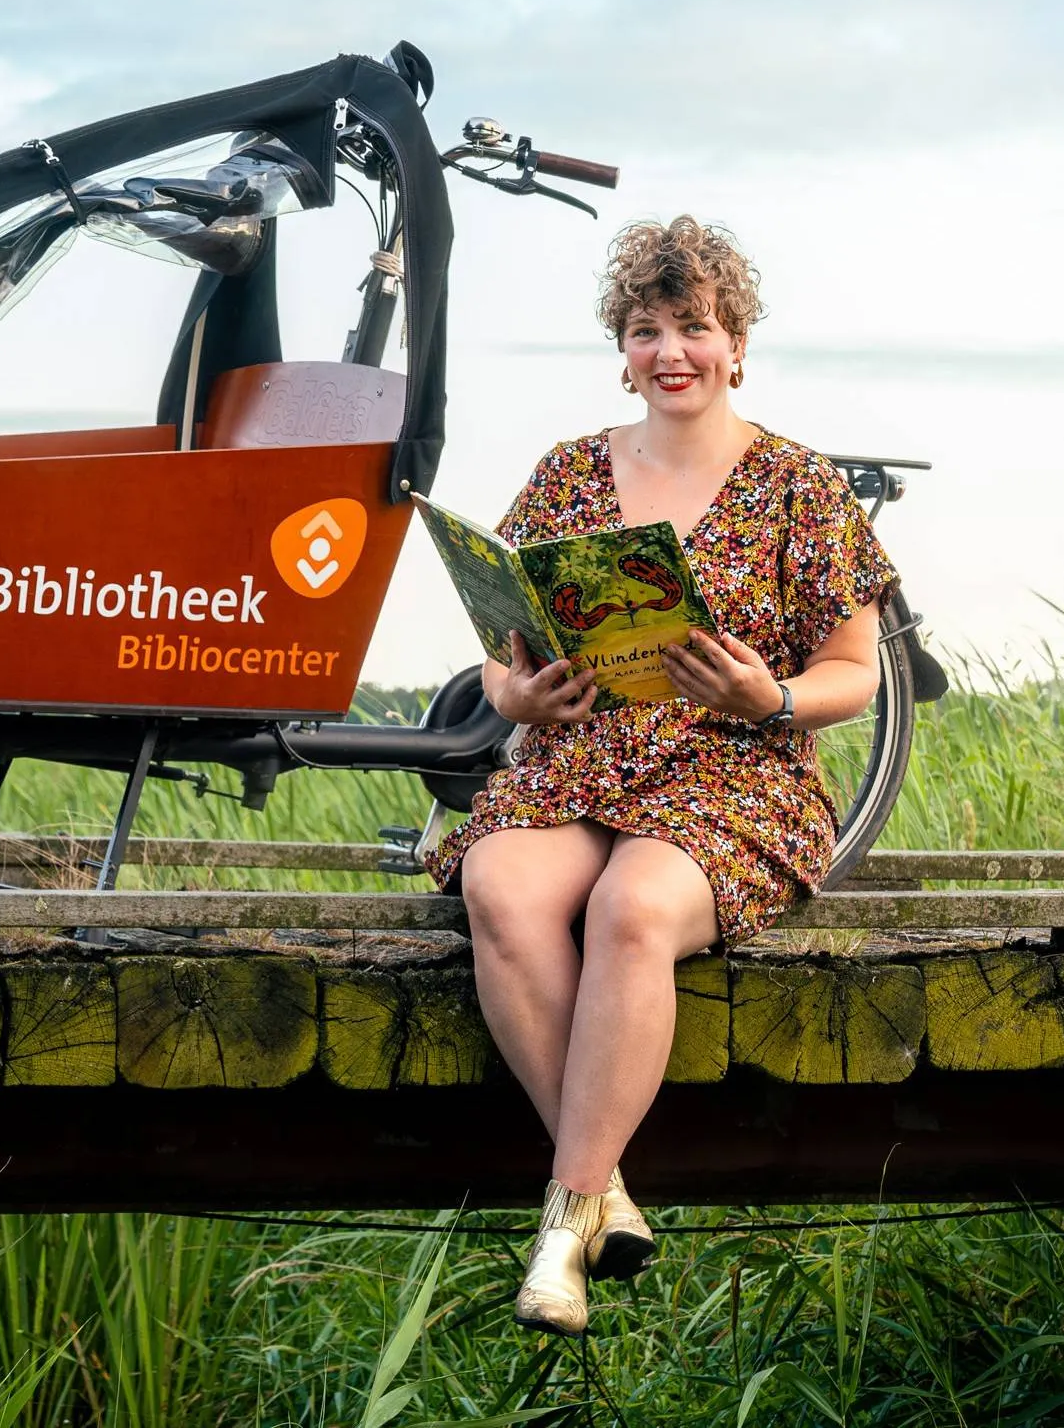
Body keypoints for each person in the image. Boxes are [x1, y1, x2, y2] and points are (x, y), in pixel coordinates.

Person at [427, 216, 898, 1335]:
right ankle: (604, 1192)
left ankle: (559, 1222)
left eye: (695, 325)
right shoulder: (569, 474)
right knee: (503, 885)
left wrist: (767, 698)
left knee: (631, 906)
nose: (671, 349)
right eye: (647, 329)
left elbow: (852, 674)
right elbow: (505, 653)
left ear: (737, 343)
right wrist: (518, 698)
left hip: (734, 771)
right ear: (622, 349)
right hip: (584, 757)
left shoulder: (801, 486)